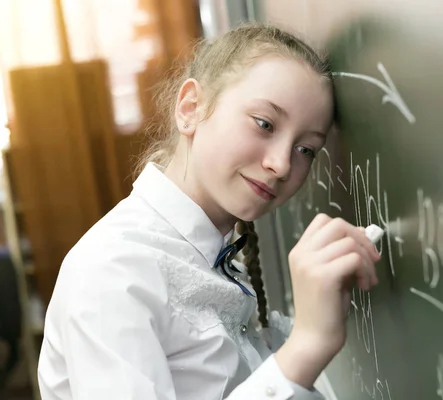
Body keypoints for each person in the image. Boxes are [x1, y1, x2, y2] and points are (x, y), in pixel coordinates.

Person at [37, 23, 380, 400]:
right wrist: (307, 346)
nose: (282, 164)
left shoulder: (216, 254)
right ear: (190, 108)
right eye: (264, 124)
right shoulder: (114, 273)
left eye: (306, 150)